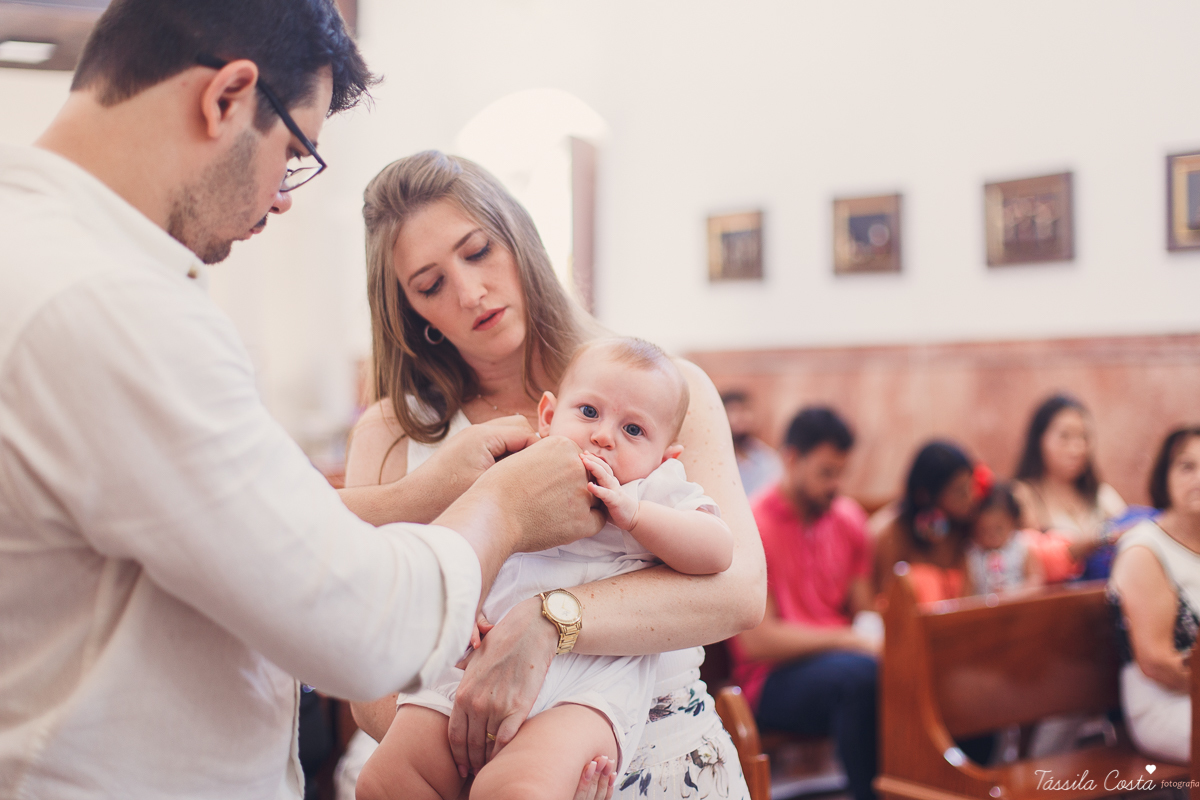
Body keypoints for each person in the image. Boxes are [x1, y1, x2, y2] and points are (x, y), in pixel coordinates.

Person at [0, 3, 609, 797]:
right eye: (293, 152)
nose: (284, 198)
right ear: (226, 98)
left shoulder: (38, 251)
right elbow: (362, 631)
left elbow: (219, 526)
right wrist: (504, 510)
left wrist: (417, 498)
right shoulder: (110, 304)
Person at [344, 151, 765, 800]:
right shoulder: (392, 432)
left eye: (478, 251)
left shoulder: (661, 394)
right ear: (411, 312)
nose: (469, 292)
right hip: (459, 762)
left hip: (656, 756)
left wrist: (550, 620)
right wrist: (483, 766)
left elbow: (737, 593)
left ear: (519, 239)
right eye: (430, 285)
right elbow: (365, 675)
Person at [359, 338, 734, 800]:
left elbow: (718, 551)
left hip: (585, 689)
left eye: (634, 430)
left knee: (515, 789)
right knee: (385, 780)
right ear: (549, 414)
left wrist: (636, 515)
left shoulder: (653, 489)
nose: (604, 436)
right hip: (476, 668)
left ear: (665, 457)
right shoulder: (516, 466)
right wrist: (465, 600)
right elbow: (467, 539)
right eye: (589, 412)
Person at [730, 407, 879, 800]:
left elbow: (863, 610)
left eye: (841, 473)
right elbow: (757, 642)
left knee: (905, 669)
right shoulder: (753, 525)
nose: (836, 485)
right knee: (861, 677)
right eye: (826, 472)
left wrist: (875, 634)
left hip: (841, 663)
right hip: (770, 679)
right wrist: (849, 639)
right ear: (792, 459)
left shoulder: (848, 519)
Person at [1109, 425, 1200, 765]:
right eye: (1187, 466)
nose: (1199, 478)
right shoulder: (1144, 549)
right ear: (1165, 477)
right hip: (1166, 704)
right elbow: (1157, 662)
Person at [1013, 394, 1127, 579]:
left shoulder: (1101, 494)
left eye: (1083, 437)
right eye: (1064, 437)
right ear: (1039, 440)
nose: (1076, 448)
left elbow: (1127, 537)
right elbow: (1028, 560)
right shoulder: (1022, 495)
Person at [872, 441, 983, 603]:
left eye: (970, 487)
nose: (970, 499)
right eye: (959, 492)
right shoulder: (891, 533)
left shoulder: (967, 527)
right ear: (925, 495)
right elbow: (884, 600)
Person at [965, 483, 1044, 596]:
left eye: (999, 529)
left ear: (1012, 523)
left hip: (1019, 602)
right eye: (984, 530)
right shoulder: (972, 555)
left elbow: (1036, 581)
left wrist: (1015, 593)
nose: (992, 535)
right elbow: (966, 593)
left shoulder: (1021, 546)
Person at [721, 390, 782, 497]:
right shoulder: (717, 459)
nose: (741, 417)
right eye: (733, 411)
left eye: (745, 410)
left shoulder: (767, 459)